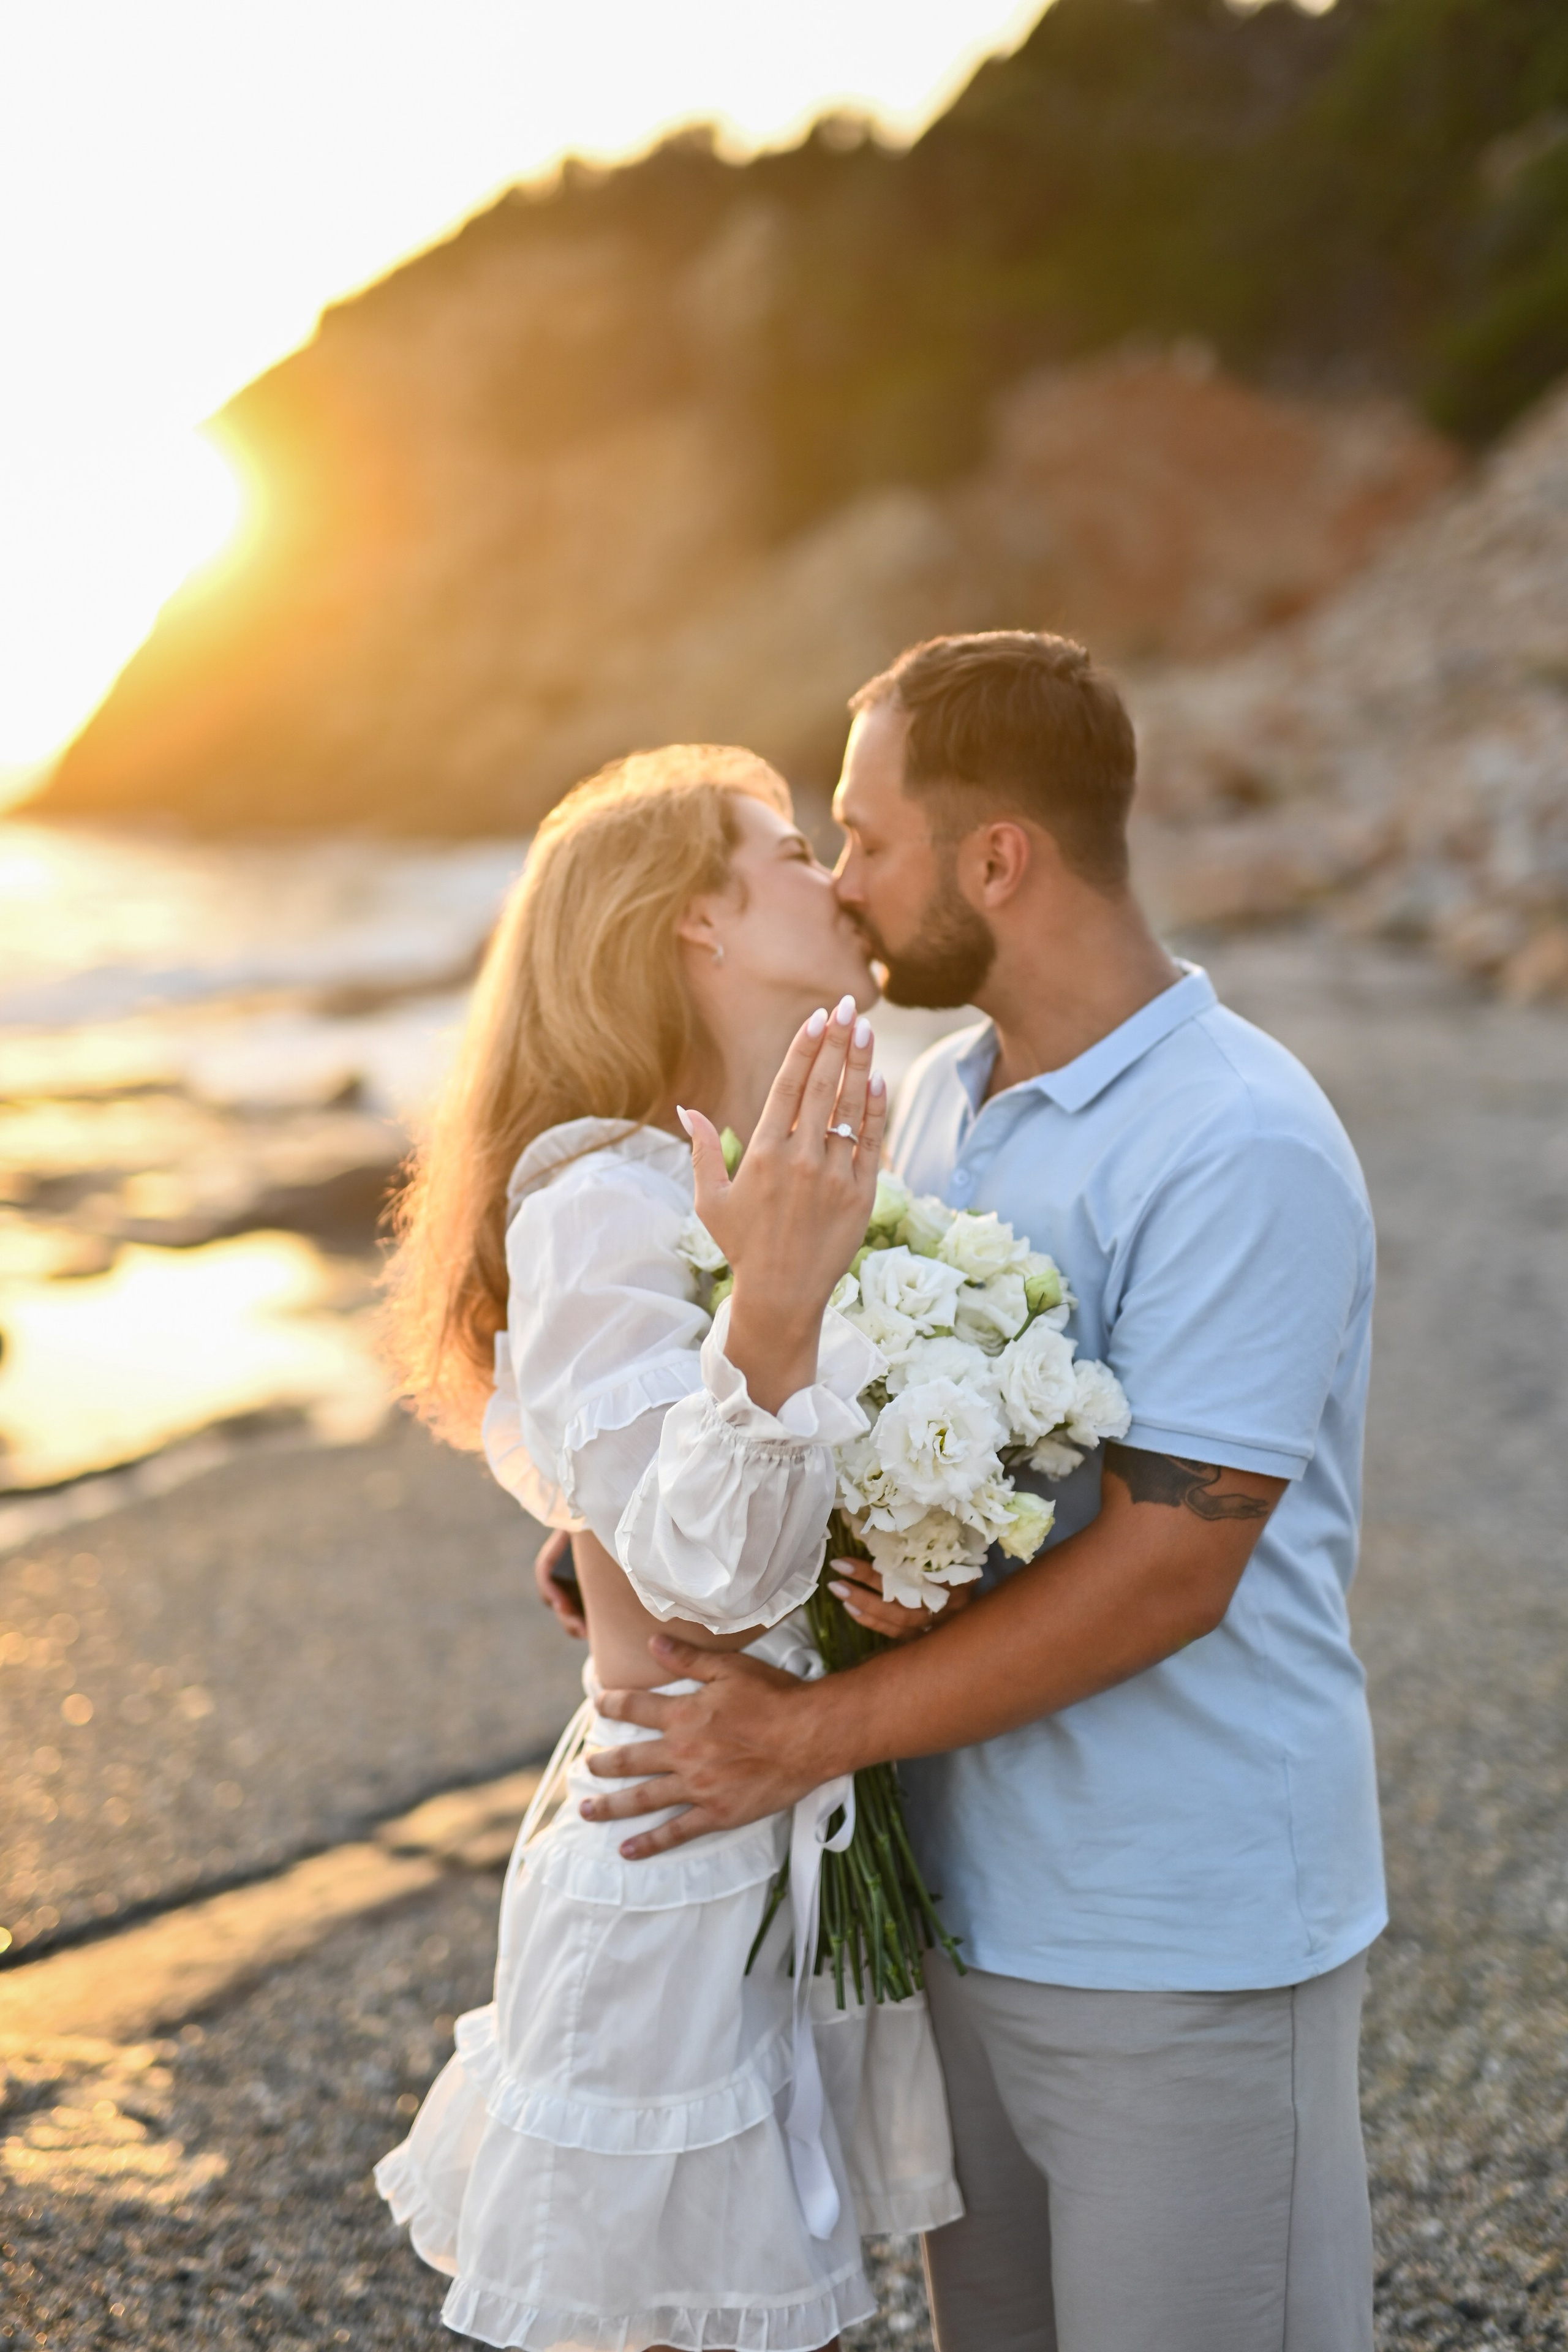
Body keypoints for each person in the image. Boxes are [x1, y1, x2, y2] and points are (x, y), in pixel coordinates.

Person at [579, 635, 1386, 2352]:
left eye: (865, 839)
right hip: (961, 1906)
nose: (847, 886)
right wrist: (643, 1556)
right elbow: (835, 1459)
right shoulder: (933, 1104)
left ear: (998, 859)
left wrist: (794, 1742)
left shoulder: (1236, 1137)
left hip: (1183, 1928)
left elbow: (1173, 1569)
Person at [374, 743, 961, 2352]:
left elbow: (704, 1522)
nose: (834, 876)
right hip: (680, 1864)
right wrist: (771, 1306)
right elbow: (715, 1571)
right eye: (786, 850)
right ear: (689, 923)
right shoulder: (601, 1192)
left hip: (776, 1838)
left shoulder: (789, 1174)